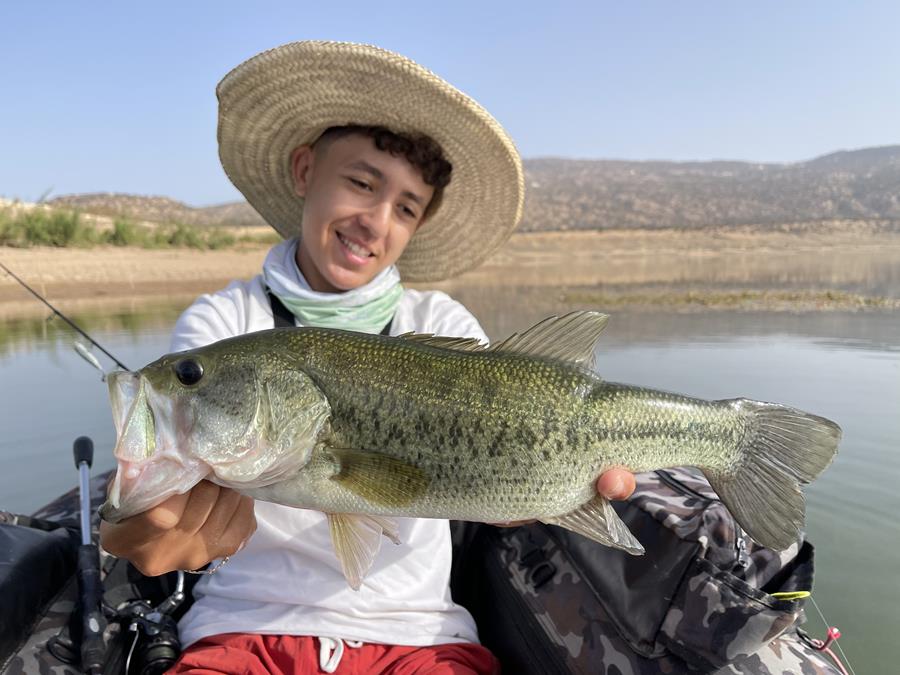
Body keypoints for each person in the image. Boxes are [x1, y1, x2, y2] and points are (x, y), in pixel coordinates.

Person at [99, 42, 636, 674]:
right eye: (361, 181)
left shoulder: (440, 324)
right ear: (305, 171)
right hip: (245, 627)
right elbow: (151, 509)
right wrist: (136, 522)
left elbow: (484, 478)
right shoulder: (223, 327)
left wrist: (538, 491)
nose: (375, 221)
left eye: (406, 207)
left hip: (420, 634)